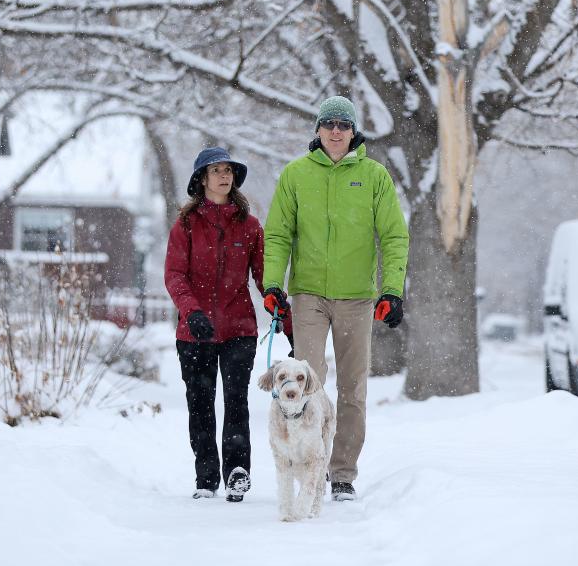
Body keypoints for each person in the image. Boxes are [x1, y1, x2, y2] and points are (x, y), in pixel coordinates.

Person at [263, 95, 409, 501]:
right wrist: (273, 285)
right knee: (308, 381)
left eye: (343, 125)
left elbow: (394, 235)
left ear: (353, 131)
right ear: (317, 129)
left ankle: (341, 472)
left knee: (353, 388)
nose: (336, 131)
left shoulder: (374, 176)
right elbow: (277, 234)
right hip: (307, 294)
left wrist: (392, 291)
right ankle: (304, 460)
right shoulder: (295, 175)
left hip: (357, 297)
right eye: (328, 123)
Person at [165, 147, 292, 501]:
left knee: (236, 403)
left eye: (228, 170)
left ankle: (237, 473)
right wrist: (192, 312)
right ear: (202, 179)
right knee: (200, 404)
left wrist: (277, 301)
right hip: (195, 332)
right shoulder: (186, 226)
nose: (224, 176)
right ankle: (206, 478)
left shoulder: (249, 226)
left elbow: (263, 276)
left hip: (239, 329)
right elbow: (175, 276)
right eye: (216, 170)